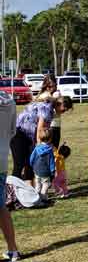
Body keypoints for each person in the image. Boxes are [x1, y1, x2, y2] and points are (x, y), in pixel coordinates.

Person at [10, 96, 72, 184]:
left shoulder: (50, 110)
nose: (64, 112)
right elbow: (40, 128)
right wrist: (40, 146)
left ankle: (29, 190)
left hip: (29, 136)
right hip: (18, 134)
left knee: (29, 163)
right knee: (19, 164)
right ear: (60, 104)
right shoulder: (46, 108)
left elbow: (43, 129)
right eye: (64, 110)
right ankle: (12, 191)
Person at [0, 91, 20, 261]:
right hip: (2, 159)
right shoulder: (10, 101)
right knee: (1, 207)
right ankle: (13, 249)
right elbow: (13, 131)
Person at [35, 75, 62, 147]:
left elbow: (59, 111)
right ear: (45, 86)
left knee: (54, 152)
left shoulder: (56, 94)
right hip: (46, 128)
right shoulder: (44, 95)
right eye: (49, 86)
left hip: (56, 125)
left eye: (53, 86)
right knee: (45, 151)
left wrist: (55, 100)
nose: (51, 88)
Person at [29, 129, 55, 202]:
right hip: (46, 172)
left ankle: (36, 198)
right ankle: (43, 198)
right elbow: (51, 162)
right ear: (50, 139)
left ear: (40, 138)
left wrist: (32, 165)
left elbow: (31, 158)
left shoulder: (36, 148)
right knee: (46, 184)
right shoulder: (50, 150)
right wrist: (53, 171)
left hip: (36, 170)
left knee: (37, 184)